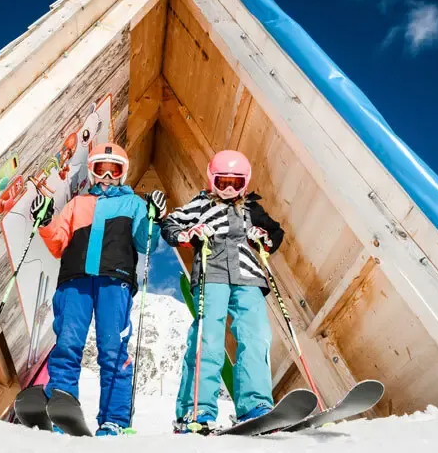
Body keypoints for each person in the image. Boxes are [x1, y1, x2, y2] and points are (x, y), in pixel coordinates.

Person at [30, 141, 166, 436]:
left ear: (122, 174)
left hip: (114, 281)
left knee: (112, 348)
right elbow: (57, 242)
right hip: (75, 280)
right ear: (92, 172)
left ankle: (114, 420)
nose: (106, 177)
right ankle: (61, 408)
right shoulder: (77, 204)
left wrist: (153, 217)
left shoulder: (133, 204)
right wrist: (45, 221)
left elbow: (145, 242)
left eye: (113, 171)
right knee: (67, 344)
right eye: (100, 170)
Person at [161, 149, 284, 433]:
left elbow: (275, 232)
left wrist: (263, 237)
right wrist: (189, 234)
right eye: (222, 182)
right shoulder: (201, 204)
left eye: (235, 183)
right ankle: (196, 409)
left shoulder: (252, 209)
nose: (229, 189)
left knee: (256, 336)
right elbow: (171, 224)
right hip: (212, 273)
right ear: (212, 180)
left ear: (245, 183)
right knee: (209, 338)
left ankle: (255, 405)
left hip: (248, 276)